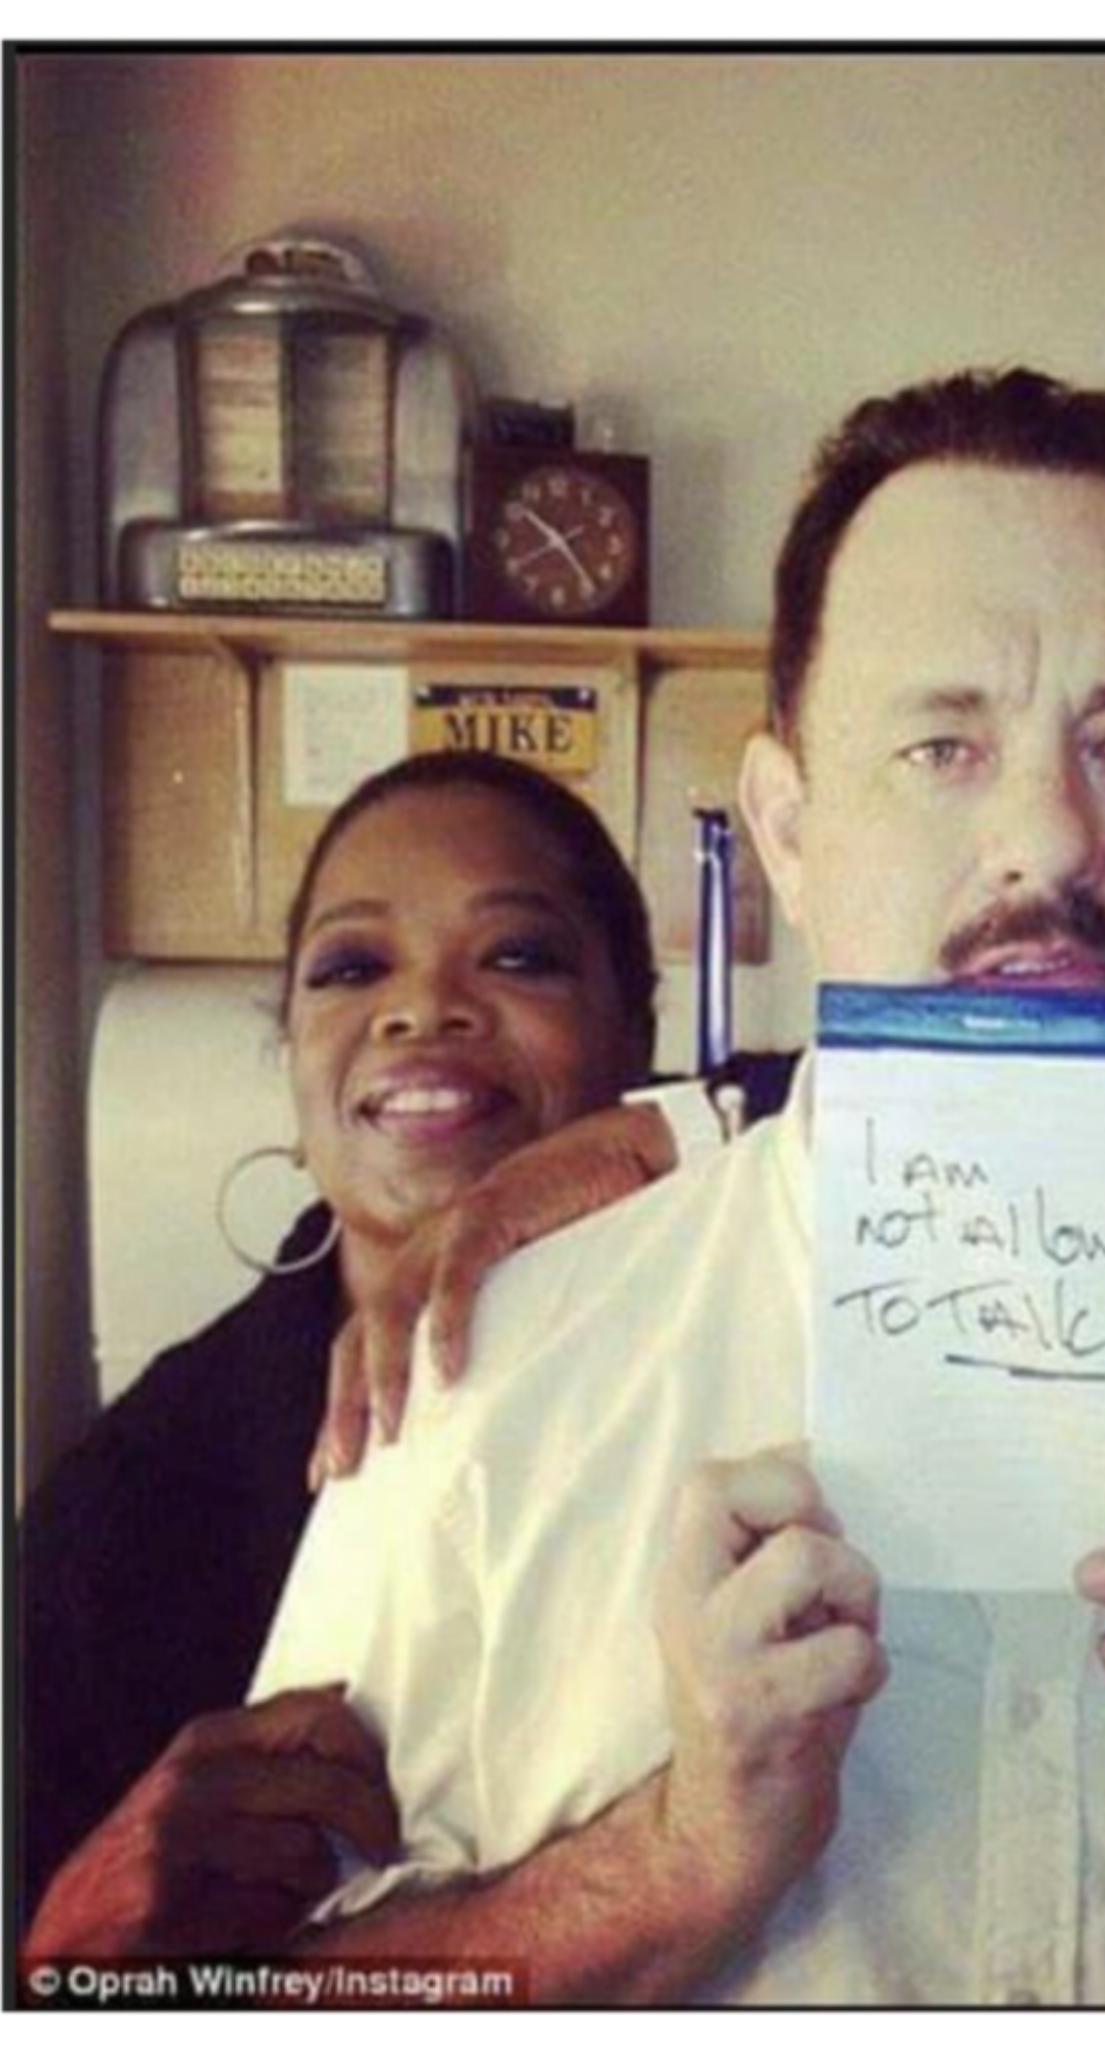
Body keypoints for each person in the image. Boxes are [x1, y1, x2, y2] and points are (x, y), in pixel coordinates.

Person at [250, 367, 1105, 2007]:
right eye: (940, 744)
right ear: (786, 825)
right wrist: (670, 1860)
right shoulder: (487, 1360)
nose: (1046, 838)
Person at [21, 750, 670, 1960]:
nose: (422, 1008)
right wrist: (72, 1944)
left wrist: (678, 1131)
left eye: (518, 955)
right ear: (291, 1054)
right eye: (352, 967)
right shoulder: (126, 1515)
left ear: (636, 1031)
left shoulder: (752, 1322)